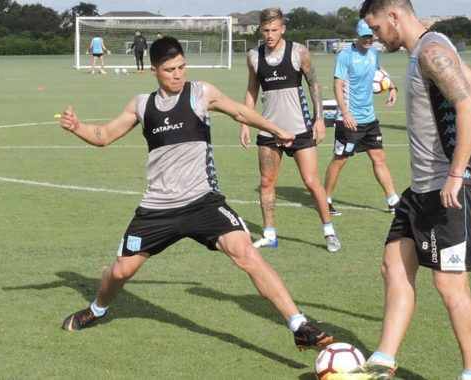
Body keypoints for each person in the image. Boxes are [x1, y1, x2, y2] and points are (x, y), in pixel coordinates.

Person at [59, 36, 334, 353]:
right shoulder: (142, 105)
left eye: (182, 67)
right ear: (154, 71)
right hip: (157, 209)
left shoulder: (201, 93)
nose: (178, 75)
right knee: (121, 270)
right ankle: (97, 309)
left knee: (246, 253)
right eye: (169, 70)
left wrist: (275, 129)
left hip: (203, 202)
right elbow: (104, 135)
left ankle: (299, 325)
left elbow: (240, 113)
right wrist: (77, 126)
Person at [330, 1, 471, 379]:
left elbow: (470, 108)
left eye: (377, 28)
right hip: (422, 189)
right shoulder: (428, 50)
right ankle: (382, 362)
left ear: (394, 16)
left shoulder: (432, 52)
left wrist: (455, 173)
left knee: (449, 285)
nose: (377, 38)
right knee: (394, 266)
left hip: (450, 187)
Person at [240, 8, 340, 253]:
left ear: (283, 28)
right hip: (268, 130)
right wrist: (244, 121)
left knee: (310, 181)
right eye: (266, 30)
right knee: (266, 182)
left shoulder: (298, 52)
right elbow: (252, 90)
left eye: (274, 30)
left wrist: (319, 119)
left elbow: (314, 83)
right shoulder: (253, 56)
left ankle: (329, 231)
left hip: (299, 130)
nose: (270, 35)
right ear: (260, 30)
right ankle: (269, 234)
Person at [323, 19, 399, 216]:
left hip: (369, 118)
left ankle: (393, 200)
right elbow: (337, 86)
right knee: (340, 160)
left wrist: (392, 86)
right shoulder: (345, 56)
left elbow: (379, 72)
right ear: (357, 35)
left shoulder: (373, 53)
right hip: (349, 120)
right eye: (365, 36)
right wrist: (346, 113)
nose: (368, 40)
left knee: (379, 157)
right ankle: (325, 199)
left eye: (371, 36)